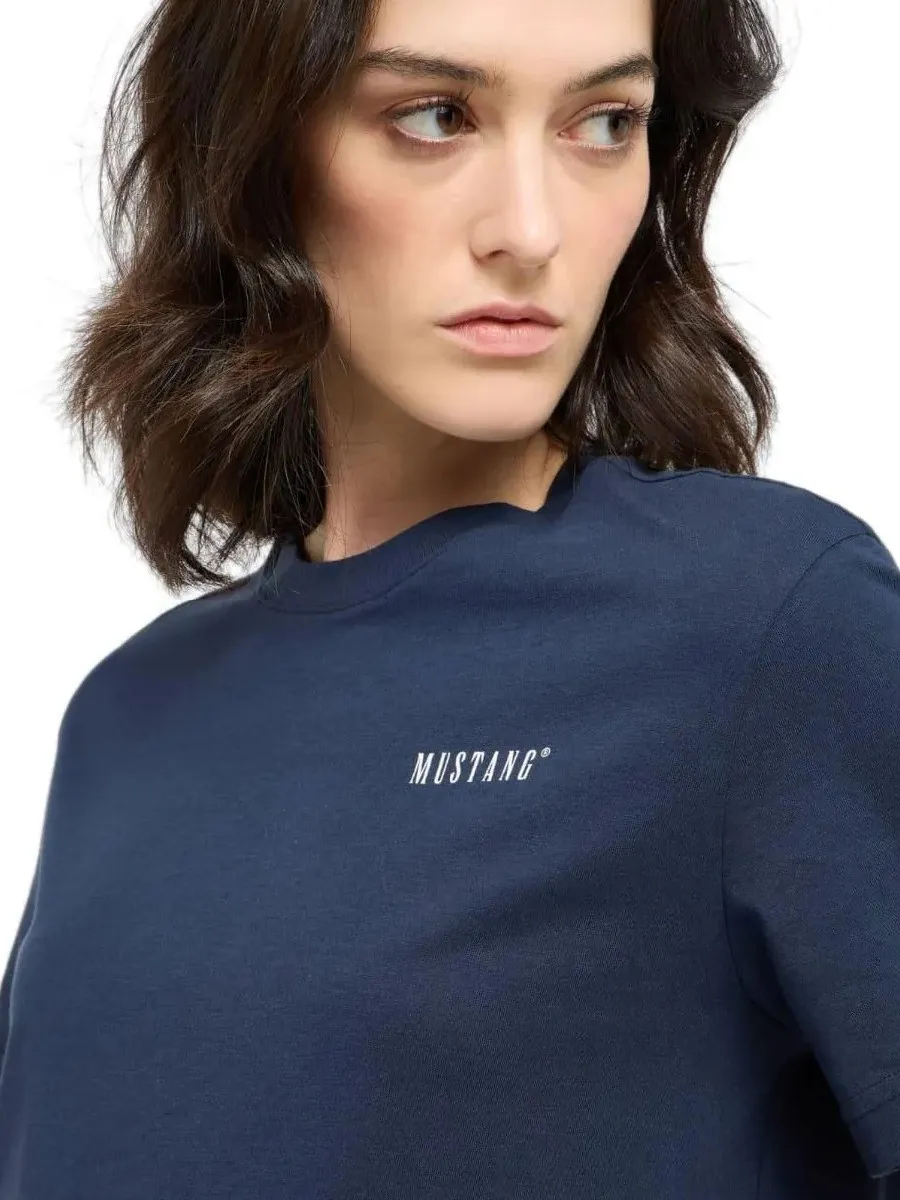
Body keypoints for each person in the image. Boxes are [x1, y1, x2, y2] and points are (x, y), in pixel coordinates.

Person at [1, 0, 898, 1195]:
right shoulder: (126, 712)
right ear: (255, 151)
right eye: (435, 116)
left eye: (605, 122)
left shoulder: (771, 630)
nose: (530, 230)